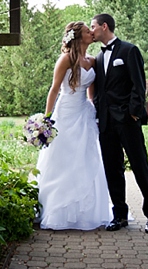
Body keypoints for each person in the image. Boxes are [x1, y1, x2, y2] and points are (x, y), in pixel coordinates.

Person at [34, 21, 113, 230]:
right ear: (78, 37)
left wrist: (95, 112)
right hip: (66, 113)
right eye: (88, 31)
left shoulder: (93, 61)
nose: (92, 33)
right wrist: (47, 119)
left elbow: (92, 93)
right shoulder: (66, 59)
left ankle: (85, 213)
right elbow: (54, 89)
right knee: (63, 159)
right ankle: (58, 209)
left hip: (84, 114)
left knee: (85, 158)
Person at [90, 13, 148, 234]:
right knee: (112, 169)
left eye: (93, 26)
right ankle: (119, 215)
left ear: (104, 26)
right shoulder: (98, 58)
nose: (91, 31)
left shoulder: (129, 51)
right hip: (106, 123)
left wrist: (133, 114)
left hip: (127, 121)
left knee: (140, 166)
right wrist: (99, 114)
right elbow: (99, 91)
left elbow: (139, 85)